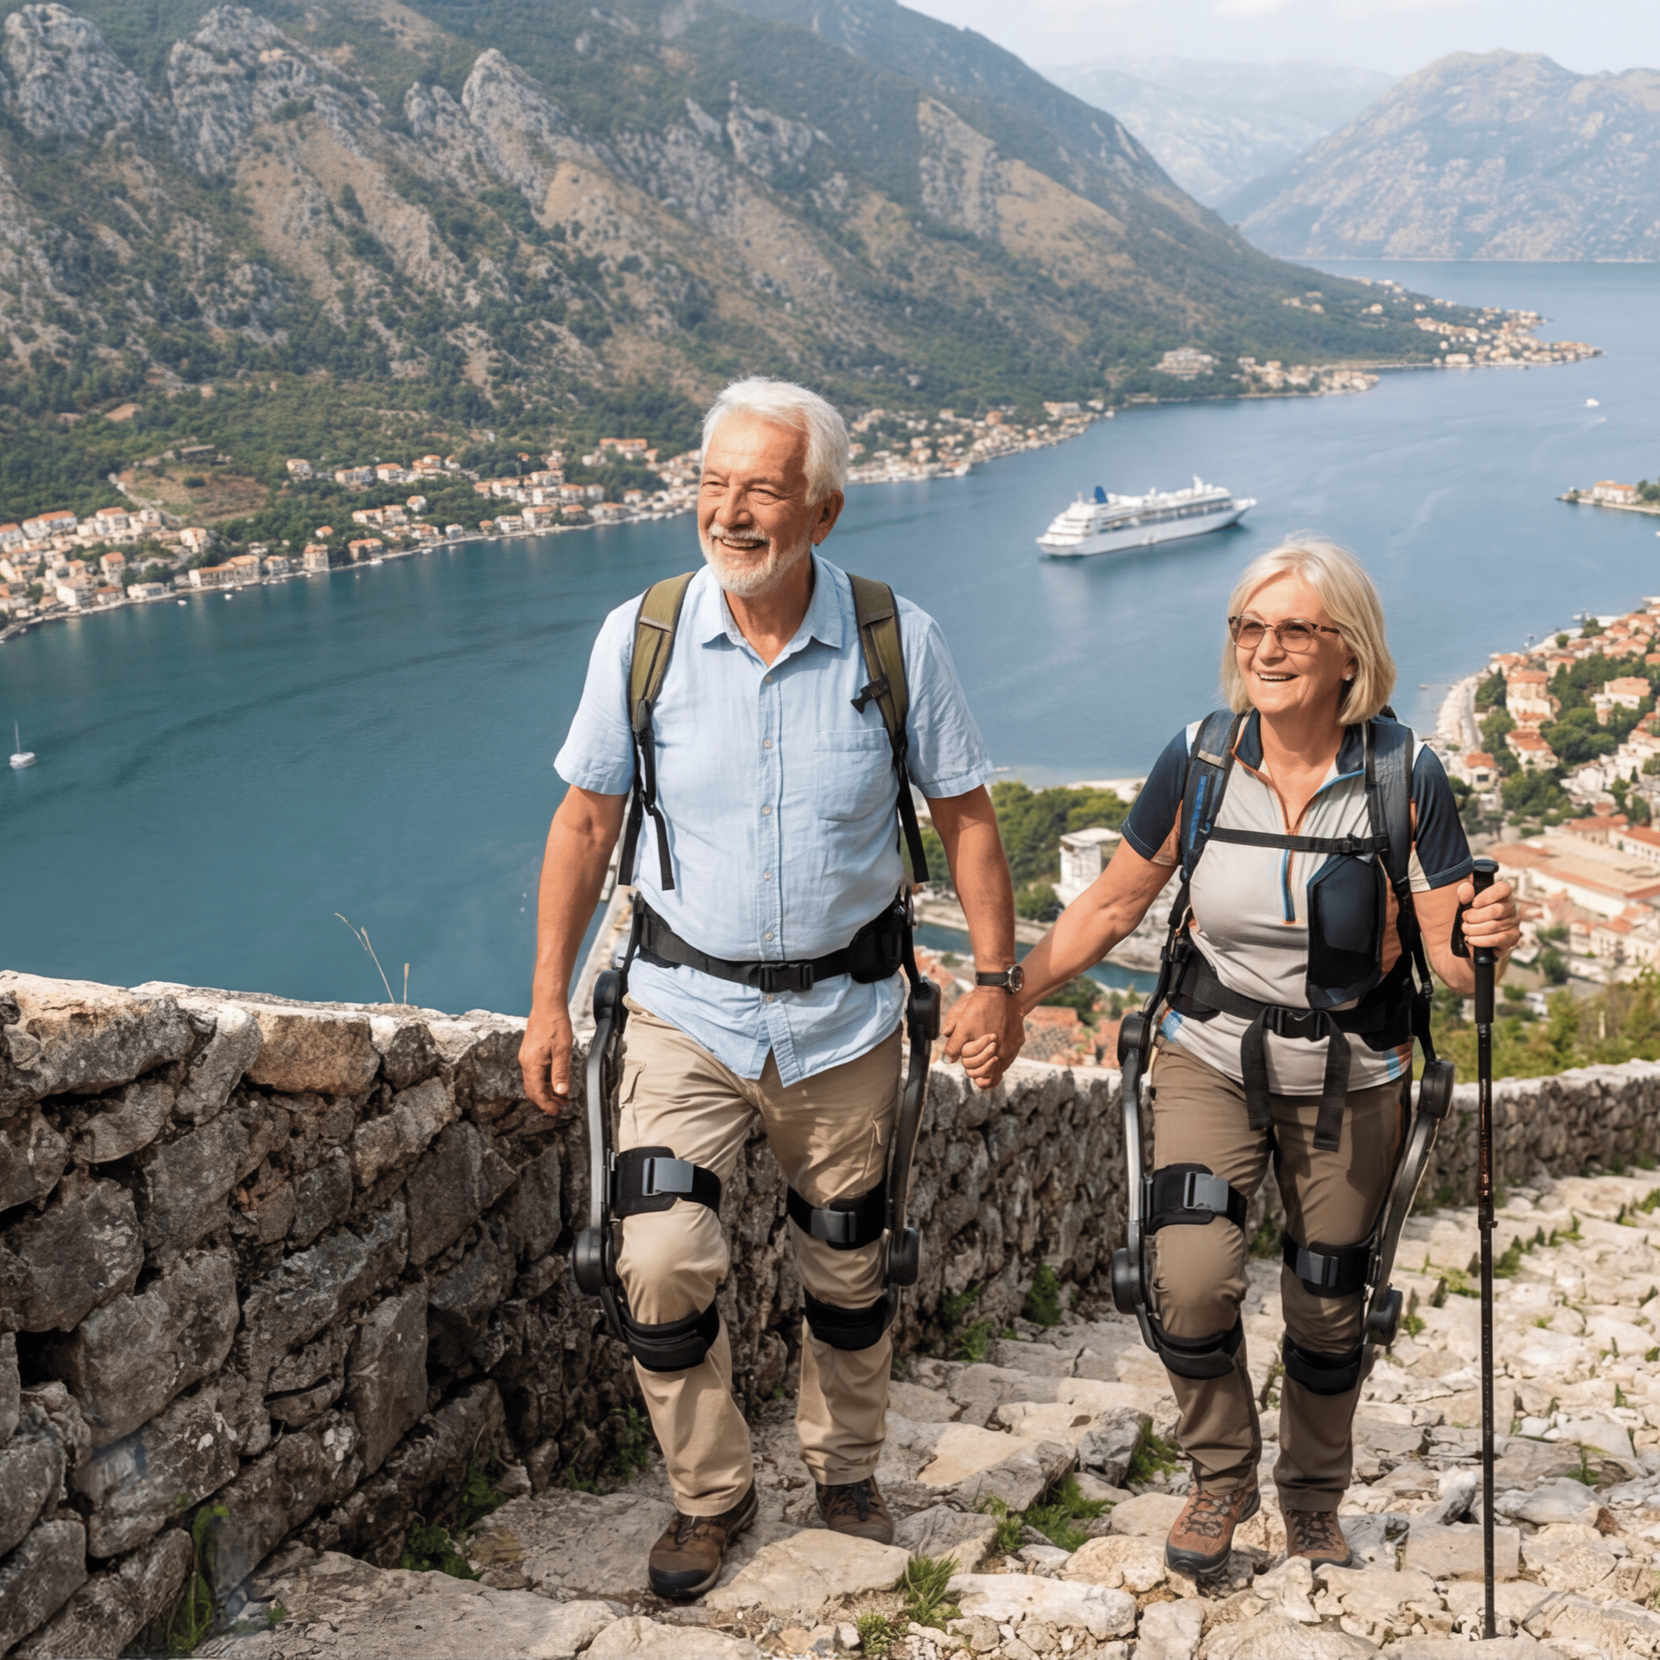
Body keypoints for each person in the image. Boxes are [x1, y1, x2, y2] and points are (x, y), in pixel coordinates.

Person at [519, 377, 1025, 1599]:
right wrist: (543, 997)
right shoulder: (638, 638)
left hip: (846, 1023)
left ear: (824, 509)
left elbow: (965, 822)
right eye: (712, 484)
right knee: (658, 1256)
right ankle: (710, 1493)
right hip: (683, 1013)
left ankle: (845, 1474)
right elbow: (586, 825)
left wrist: (999, 981)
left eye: (761, 488)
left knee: (848, 1266)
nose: (730, 511)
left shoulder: (896, 641)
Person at [1008, 536, 1520, 1575]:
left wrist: (1485, 938)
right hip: (1209, 1055)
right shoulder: (1196, 761)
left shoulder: (1400, 776)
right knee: (1186, 1276)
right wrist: (1005, 995)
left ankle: (1313, 1498)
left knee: (1330, 1303)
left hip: (1351, 1076)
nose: (1266, 647)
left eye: (1295, 628)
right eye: (1249, 625)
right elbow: (1112, 903)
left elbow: (1452, 970)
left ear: (1348, 653)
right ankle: (1219, 1476)